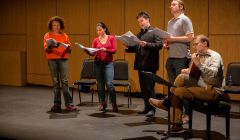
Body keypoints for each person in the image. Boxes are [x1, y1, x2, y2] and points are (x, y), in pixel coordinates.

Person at [149, 34, 225, 132]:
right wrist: (187, 70)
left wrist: (198, 64)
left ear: (205, 43)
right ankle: (177, 125)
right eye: (193, 45)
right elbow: (196, 73)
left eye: (196, 44)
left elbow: (213, 73)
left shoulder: (214, 56)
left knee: (181, 78)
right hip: (202, 85)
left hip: (213, 90)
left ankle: (166, 102)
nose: (194, 47)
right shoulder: (197, 55)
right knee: (178, 91)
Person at [125, 11, 163, 117]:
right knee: (143, 88)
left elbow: (159, 45)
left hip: (150, 64)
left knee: (150, 88)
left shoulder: (155, 31)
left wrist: (146, 44)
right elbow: (137, 47)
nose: (140, 23)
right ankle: (147, 107)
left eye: (141, 21)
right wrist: (128, 47)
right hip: (140, 64)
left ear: (147, 19)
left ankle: (152, 109)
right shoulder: (140, 33)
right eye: (139, 22)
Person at [164, 0, 194, 122]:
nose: (170, 6)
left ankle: (186, 114)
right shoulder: (170, 21)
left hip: (181, 57)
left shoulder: (185, 19)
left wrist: (172, 39)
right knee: (173, 87)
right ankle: (176, 112)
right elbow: (169, 39)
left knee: (182, 88)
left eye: (173, 4)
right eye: (170, 4)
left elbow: (190, 37)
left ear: (181, 7)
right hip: (171, 57)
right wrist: (166, 43)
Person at [43, 16, 77, 112]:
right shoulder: (47, 35)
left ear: (60, 25)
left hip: (63, 59)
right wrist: (52, 45)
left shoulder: (65, 35)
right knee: (55, 82)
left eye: (58, 25)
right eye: (54, 25)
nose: (56, 27)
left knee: (65, 82)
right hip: (52, 60)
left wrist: (68, 48)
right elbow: (46, 49)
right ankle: (57, 104)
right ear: (51, 26)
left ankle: (69, 104)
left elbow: (69, 49)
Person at [86, 22, 118, 112]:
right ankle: (103, 103)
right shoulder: (95, 40)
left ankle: (114, 104)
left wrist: (106, 50)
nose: (98, 32)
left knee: (109, 84)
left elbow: (114, 50)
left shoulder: (111, 38)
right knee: (100, 85)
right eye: (97, 30)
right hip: (98, 63)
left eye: (100, 30)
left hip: (108, 64)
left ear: (104, 29)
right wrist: (88, 51)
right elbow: (93, 52)